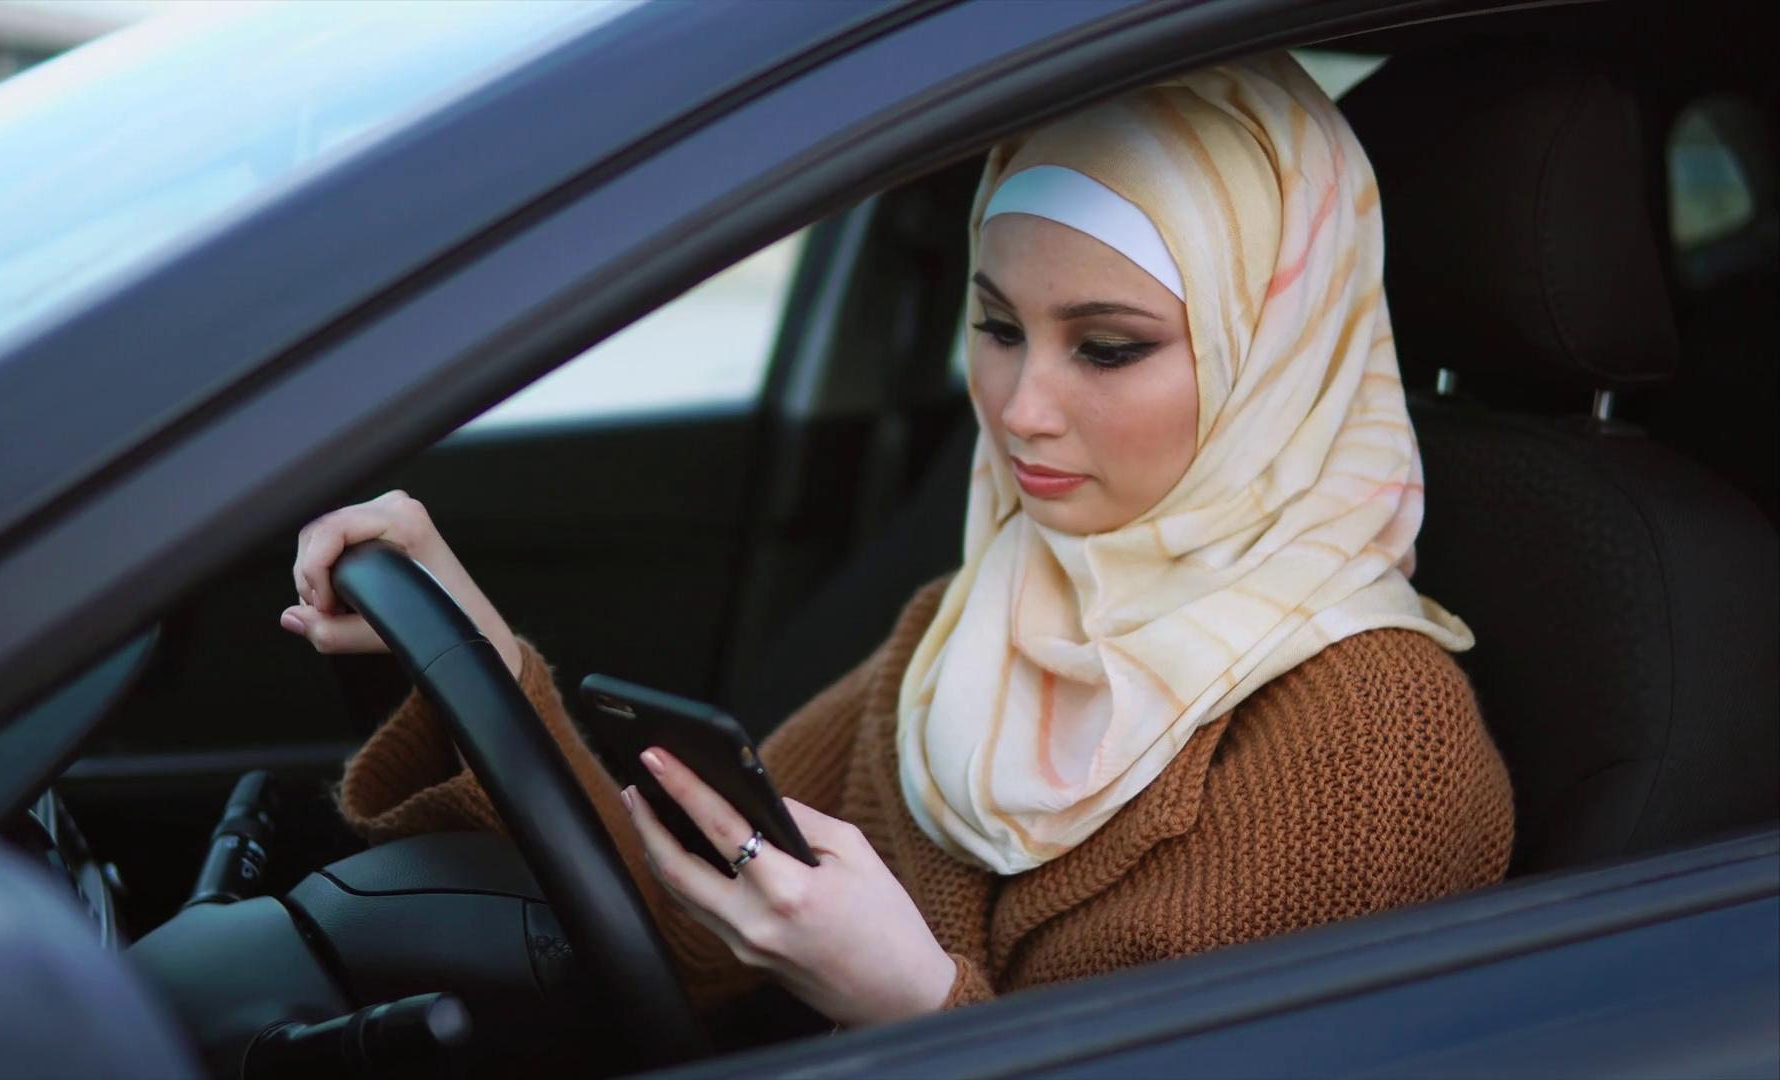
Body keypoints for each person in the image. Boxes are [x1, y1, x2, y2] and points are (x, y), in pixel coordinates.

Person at [282, 52, 1514, 1030]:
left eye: (1108, 345)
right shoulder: (976, 617)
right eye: (995, 324)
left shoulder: (1378, 737)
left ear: (1272, 355)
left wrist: (912, 1005)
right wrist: (468, 648)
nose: (1021, 407)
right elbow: (695, 907)